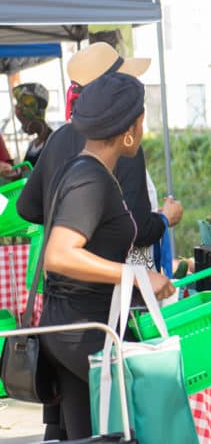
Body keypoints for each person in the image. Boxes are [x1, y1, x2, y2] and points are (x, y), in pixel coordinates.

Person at [16, 42, 182, 439]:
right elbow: (59, 254)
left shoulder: (79, 163)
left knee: (86, 435)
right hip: (83, 332)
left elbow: (32, 210)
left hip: (69, 329)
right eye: (142, 120)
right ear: (127, 131)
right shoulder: (90, 177)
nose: (143, 127)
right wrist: (137, 274)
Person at [12, 82, 53, 167]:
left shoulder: (54, 142)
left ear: (38, 114)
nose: (24, 127)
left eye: (24, 120)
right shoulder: (33, 145)